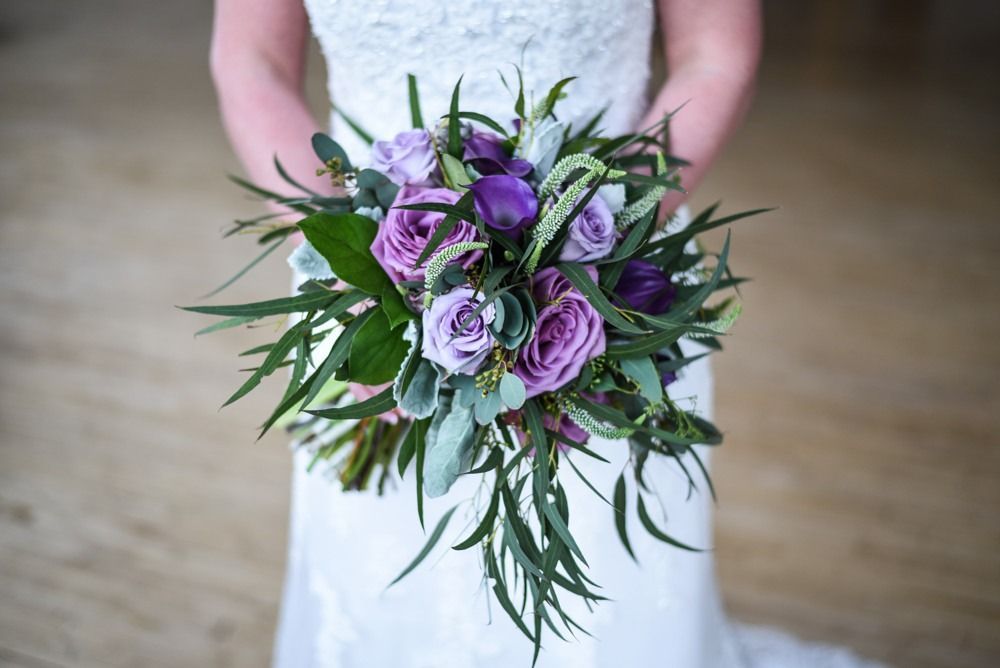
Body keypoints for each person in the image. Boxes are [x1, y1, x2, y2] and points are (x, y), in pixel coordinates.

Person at [210, 2, 878, 666]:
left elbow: (715, 52)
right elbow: (253, 61)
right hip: (363, 287)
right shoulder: (360, 281)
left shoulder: (600, 270)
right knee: (382, 560)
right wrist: (356, 269)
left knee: (599, 570)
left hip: (607, 281)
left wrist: (584, 253)